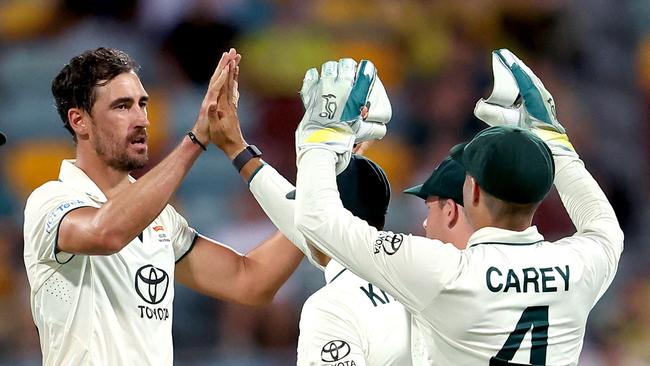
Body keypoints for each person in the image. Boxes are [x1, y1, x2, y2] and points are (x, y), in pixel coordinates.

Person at [291, 52, 623, 365]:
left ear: (474, 191)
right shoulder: (580, 265)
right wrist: (556, 145)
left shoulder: (445, 272)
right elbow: (604, 224)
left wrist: (321, 137)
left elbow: (316, 218)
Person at [22, 47, 305, 365]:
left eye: (143, 104)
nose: (142, 119)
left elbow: (250, 282)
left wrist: (322, 199)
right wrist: (196, 139)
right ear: (80, 121)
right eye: (122, 106)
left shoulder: (161, 219)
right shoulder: (50, 201)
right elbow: (105, 233)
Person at [207, 57, 473, 364]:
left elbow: (313, 222)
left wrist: (314, 147)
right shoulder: (419, 275)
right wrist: (236, 150)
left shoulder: (332, 306)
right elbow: (308, 220)